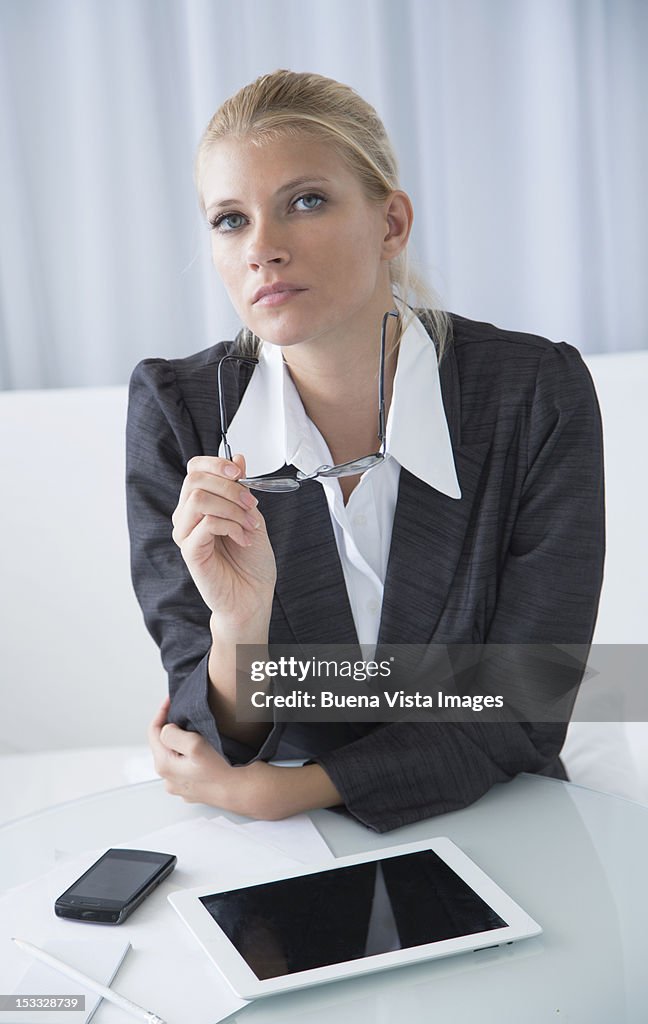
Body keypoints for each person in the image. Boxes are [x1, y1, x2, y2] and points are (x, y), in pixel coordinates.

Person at [126, 69, 605, 834]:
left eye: (305, 202)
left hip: (497, 816)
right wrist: (239, 627)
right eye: (229, 220)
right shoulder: (178, 414)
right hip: (281, 853)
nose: (263, 249)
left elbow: (528, 703)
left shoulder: (534, 393)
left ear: (391, 224)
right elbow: (208, 734)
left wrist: (288, 792)